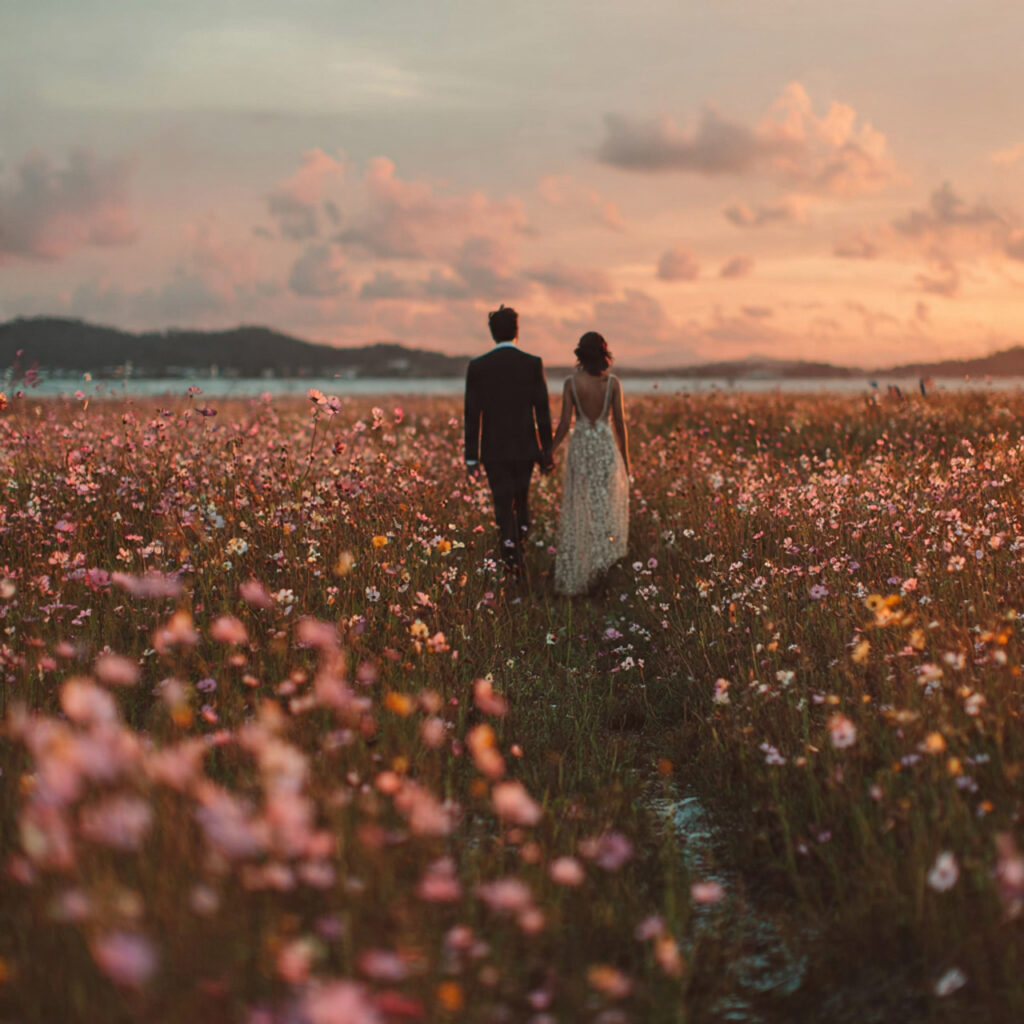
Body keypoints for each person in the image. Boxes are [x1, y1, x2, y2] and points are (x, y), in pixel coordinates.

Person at [464, 305, 554, 578]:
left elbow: (471, 414)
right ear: (517, 331)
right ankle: (520, 551)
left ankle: (510, 562)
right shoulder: (532, 363)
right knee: (522, 502)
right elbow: (543, 411)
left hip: (493, 450)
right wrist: (546, 451)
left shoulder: (478, 367)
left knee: (503, 505)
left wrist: (471, 457)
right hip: (526, 449)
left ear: (493, 334)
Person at [551, 331, 630, 596]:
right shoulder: (613, 384)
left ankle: (584, 573)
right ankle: (601, 571)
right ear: (604, 354)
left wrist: (548, 451)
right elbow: (619, 424)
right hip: (605, 447)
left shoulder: (571, 383)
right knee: (604, 509)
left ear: (580, 356)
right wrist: (626, 462)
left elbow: (564, 424)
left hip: (582, 447)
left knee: (581, 506)